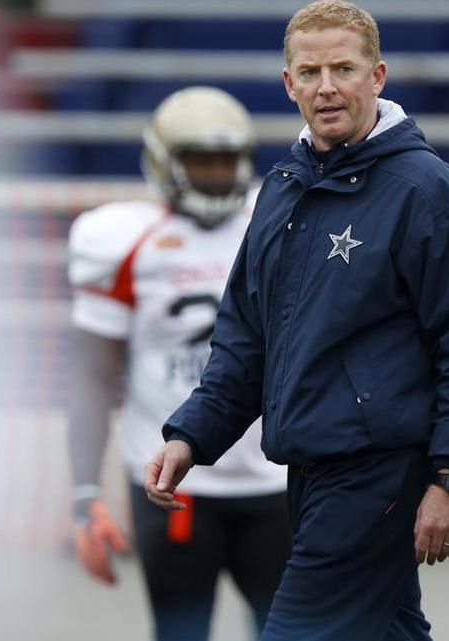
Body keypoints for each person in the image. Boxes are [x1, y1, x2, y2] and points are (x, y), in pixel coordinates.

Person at [142, 2, 449, 640]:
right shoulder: (282, 188)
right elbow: (246, 338)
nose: (327, 87)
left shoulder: (429, 192)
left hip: (380, 470)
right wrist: (192, 437)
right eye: (310, 71)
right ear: (288, 83)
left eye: (344, 68)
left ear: (378, 76)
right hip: (308, 467)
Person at [67, 86, 291, 640]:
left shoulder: (283, 224)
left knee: (291, 632)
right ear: (165, 162)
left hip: (280, 477)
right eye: (200, 159)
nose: (216, 173)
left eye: (226, 159)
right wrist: (84, 496)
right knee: (180, 632)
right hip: (171, 483)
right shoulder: (122, 239)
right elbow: (94, 377)